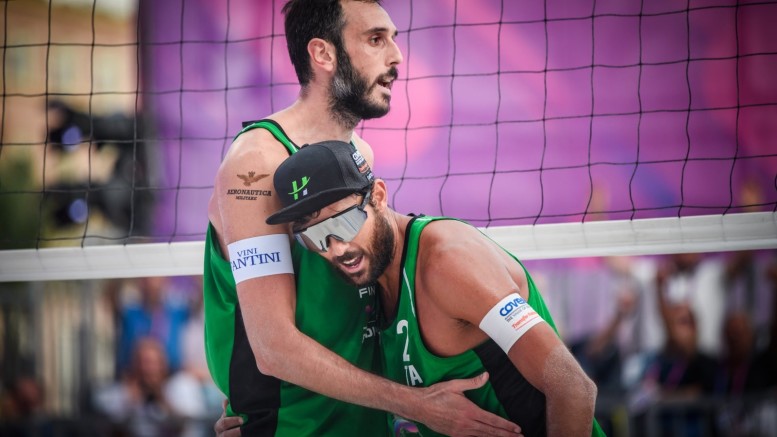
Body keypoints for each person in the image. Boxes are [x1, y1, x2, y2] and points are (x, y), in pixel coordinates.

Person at [204, 0, 522, 435]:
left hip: (365, 420)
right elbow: (273, 348)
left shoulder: (359, 156)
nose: (396, 56)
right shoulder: (255, 166)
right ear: (324, 55)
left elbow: (369, 304)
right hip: (292, 426)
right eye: (376, 39)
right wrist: (419, 405)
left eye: (393, 38)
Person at [263, 140, 606, 436]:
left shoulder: (447, 263)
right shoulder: (369, 283)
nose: (336, 248)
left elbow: (573, 388)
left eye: (344, 221)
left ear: (378, 196)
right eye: (315, 237)